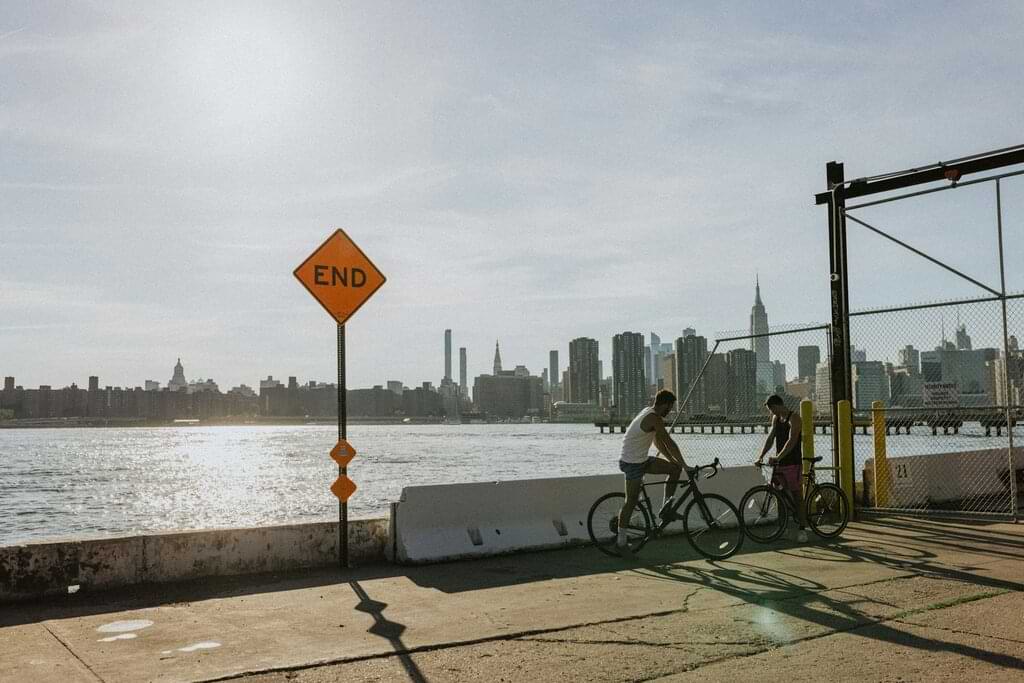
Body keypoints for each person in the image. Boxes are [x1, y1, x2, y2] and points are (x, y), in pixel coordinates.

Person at [616, 389, 690, 557]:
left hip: (641, 460)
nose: (670, 412)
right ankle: (620, 542)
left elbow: (657, 442)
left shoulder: (649, 412)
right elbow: (668, 442)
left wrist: (675, 462)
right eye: (670, 408)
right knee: (631, 501)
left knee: (674, 469)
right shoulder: (652, 417)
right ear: (664, 404)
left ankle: (666, 509)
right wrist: (685, 464)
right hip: (631, 463)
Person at [755, 394, 806, 541]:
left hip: (793, 462)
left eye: (771, 409)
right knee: (780, 496)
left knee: (797, 496)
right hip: (780, 464)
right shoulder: (776, 419)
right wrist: (761, 456)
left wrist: (778, 457)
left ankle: (802, 529)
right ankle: (782, 527)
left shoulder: (794, 418)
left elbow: (792, 440)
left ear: (777, 406)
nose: (771, 412)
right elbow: (771, 438)